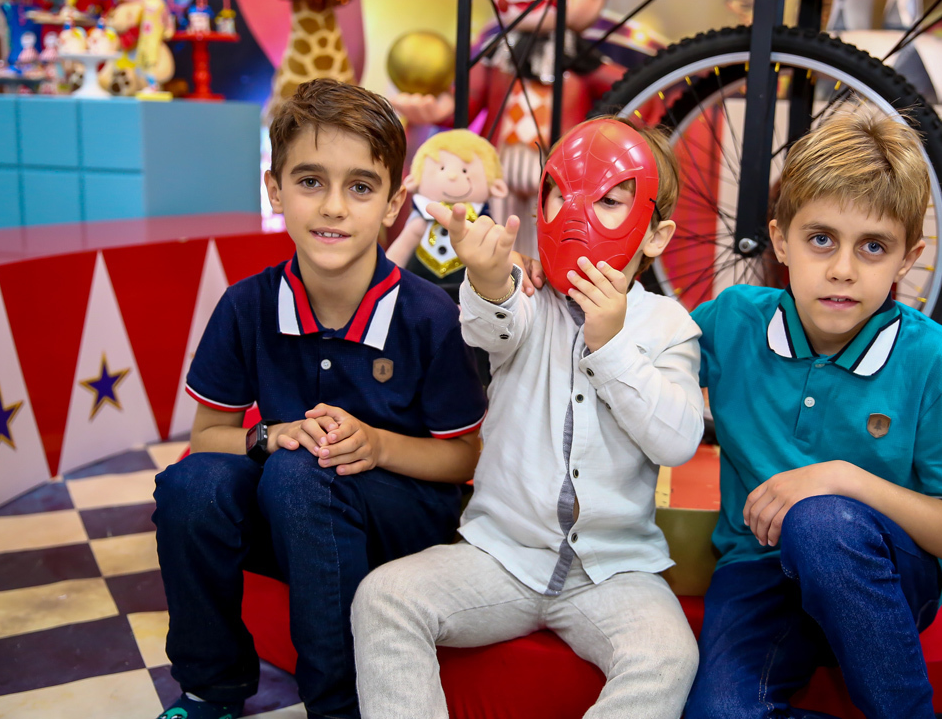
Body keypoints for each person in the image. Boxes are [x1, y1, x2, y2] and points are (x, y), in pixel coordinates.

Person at [151, 78, 488, 719]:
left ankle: (337, 705)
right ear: (275, 190)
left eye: (360, 187)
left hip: (402, 523)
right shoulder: (246, 305)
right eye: (310, 181)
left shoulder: (428, 315)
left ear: (393, 203)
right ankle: (209, 689)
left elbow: (462, 458)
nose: (334, 207)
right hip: (290, 511)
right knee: (191, 485)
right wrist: (269, 435)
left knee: (302, 472)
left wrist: (377, 445)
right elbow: (207, 437)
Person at [350, 117, 704, 718]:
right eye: (561, 194)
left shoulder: (670, 326)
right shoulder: (531, 295)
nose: (576, 214)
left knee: (668, 655)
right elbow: (490, 328)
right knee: (383, 597)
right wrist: (489, 279)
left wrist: (613, 344)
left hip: (615, 572)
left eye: (609, 200)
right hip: (500, 557)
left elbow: (676, 440)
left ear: (655, 235)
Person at [683, 110, 942, 719]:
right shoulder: (732, 320)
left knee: (821, 521)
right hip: (760, 568)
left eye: (873, 247)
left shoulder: (932, 357)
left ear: (908, 258)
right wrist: (542, 288)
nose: (843, 270)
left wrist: (840, 479)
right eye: (821, 239)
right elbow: (635, 353)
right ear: (781, 240)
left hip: (884, 574)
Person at [385, 128, 509, 301]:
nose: (452, 176)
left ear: (496, 186)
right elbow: (401, 249)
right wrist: (385, 278)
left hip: (468, 296)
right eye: (442, 168)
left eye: (465, 171)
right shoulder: (422, 220)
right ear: (414, 180)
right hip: (418, 291)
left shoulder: (482, 223)